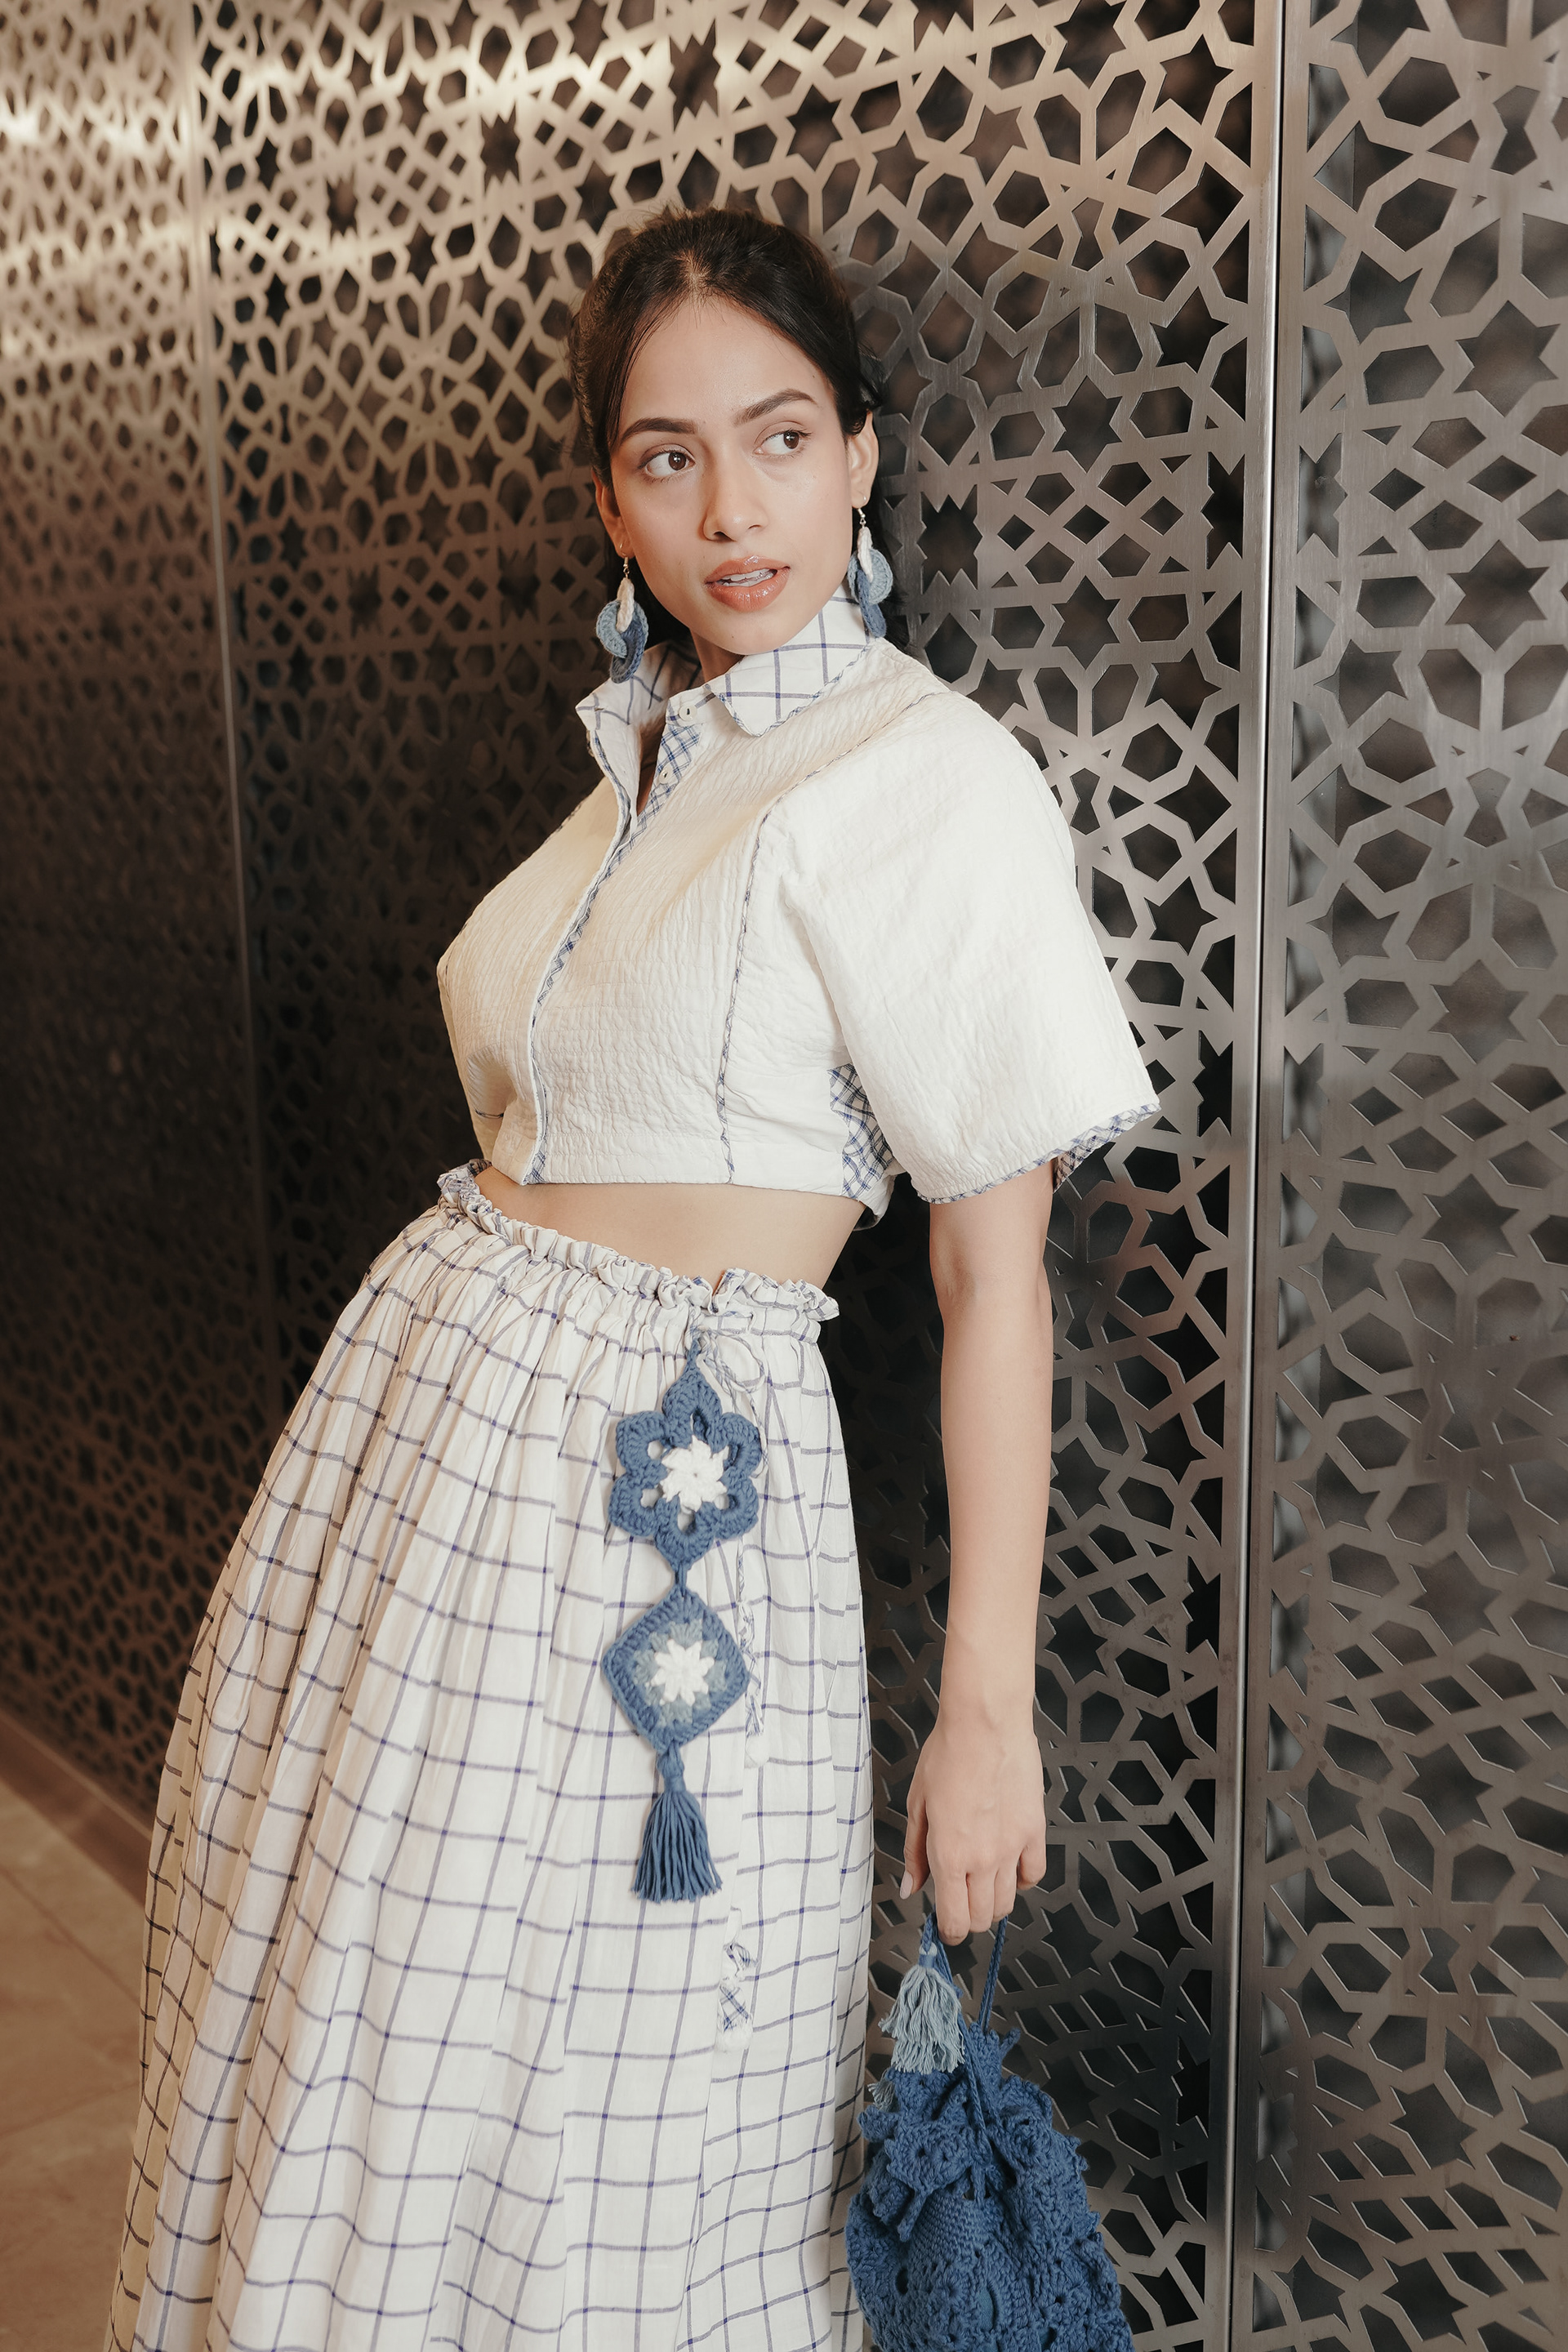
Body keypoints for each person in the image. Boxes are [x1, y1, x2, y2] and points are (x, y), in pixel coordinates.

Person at [108, 207, 1156, 2352]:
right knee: (358, 2068)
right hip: (414, 1513)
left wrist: (986, 1711)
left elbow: (997, 1283)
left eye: (781, 436)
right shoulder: (633, 770)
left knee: (619, 2129)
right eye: (670, 458)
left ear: (862, 454)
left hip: (661, 1533)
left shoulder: (924, 778)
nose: (732, 509)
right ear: (611, 499)